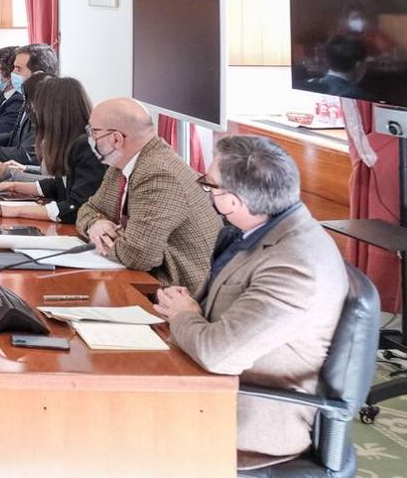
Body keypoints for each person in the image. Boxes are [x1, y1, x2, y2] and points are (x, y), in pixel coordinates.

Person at [154, 136, 347, 470]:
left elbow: (219, 353)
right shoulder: (262, 232)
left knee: (94, 421)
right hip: (207, 384)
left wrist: (183, 315)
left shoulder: (296, 266)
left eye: (209, 185)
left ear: (232, 201)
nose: (207, 192)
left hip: (244, 417)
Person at [75, 97, 222, 293]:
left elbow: (138, 255)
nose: (90, 138)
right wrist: (95, 224)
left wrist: (104, 239)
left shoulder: (159, 173)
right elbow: (88, 209)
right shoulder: (120, 164)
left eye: (93, 132)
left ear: (116, 139)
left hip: (179, 294)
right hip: (142, 281)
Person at [0, 77, 105, 224]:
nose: (34, 114)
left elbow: (75, 208)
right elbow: (58, 185)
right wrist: (11, 185)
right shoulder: (73, 140)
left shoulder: (88, 146)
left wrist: (11, 210)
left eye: (38, 109)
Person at [0, 43, 59, 162]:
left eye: (18, 69)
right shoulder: (29, 97)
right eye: (14, 67)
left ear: (38, 75)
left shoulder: (47, 107)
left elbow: (26, 154)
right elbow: (18, 134)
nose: (12, 73)